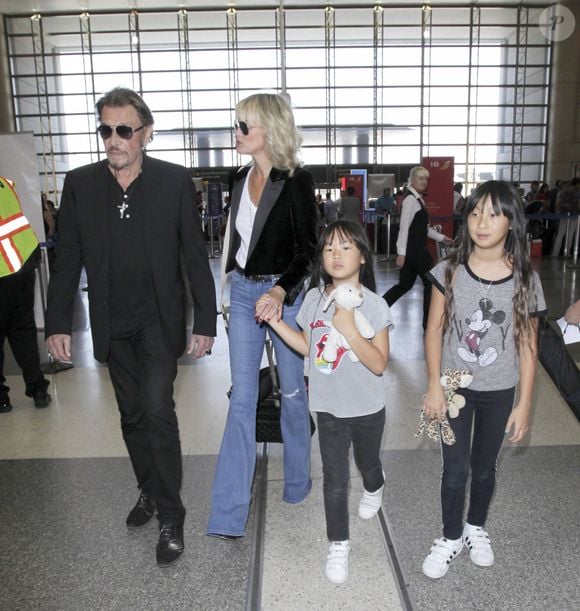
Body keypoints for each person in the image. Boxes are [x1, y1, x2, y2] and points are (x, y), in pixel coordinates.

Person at [45, 87, 217, 568]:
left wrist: (205, 320)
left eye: (124, 129)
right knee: (131, 417)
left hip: (160, 322)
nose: (114, 139)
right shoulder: (79, 185)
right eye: (106, 129)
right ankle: (148, 488)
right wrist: (57, 321)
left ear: (146, 132)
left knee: (158, 410)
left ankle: (171, 515)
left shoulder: (173, 182)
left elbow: (194, 255)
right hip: (111, 323)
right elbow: (68, 261)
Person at [421, 180, 546, 580]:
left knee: (485, 467)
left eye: (494, 213)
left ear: (512, 221)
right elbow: (433, 331)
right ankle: (451, 535)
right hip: (455, 386)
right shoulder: (450, 270)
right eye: (475, 212)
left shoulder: (525, 279)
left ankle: (475, 526)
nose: (482, 221)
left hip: (499, 389)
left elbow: (528, 346)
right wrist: (434, 384)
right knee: (453, 468)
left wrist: (524, 403)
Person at [207, 92, 317, 539]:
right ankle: (229, 513)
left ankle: (297, 481)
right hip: (245, 292)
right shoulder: (237, 178)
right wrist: (234, 283)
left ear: (268, 130)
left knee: (291, 392)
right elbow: (237, 242)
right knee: (241, 399)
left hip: (284, 296)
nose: (237, 133)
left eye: (244, 126)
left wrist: (278, 290)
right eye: (237, 124)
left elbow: (308, 251)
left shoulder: (296, 181)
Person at [264, 219, 392, 584]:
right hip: (328, 406)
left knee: (368, 464)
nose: (336, 255)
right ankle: (338, 544)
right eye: (329, 248)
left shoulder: (375, 305)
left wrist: (350, 329)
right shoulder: (313, 300)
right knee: (334, 480)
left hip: (367, 408)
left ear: (363, 257)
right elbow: (309, 348)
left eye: (346, 247)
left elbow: (379, 364)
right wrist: (275, 323)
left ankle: (375, 486)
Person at [1, 177, 51, 413]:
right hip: (22, 263)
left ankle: (1, 397)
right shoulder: (5, 182)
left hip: (2, 270)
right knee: (23, 332)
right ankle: (38, 389)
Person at [382, 166, 453, 329]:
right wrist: (401, 253)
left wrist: (442, 238)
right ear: (412, 180)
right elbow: (404, 227)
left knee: (404, 285)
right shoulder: (410, 200)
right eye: (420, 178)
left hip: (414, 251)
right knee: (431, 283)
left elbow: (423, 229)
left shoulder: (417, 199)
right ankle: (428, 324)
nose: (423, 181)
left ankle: (377, 311)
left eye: (426, 179)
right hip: (415, 252)